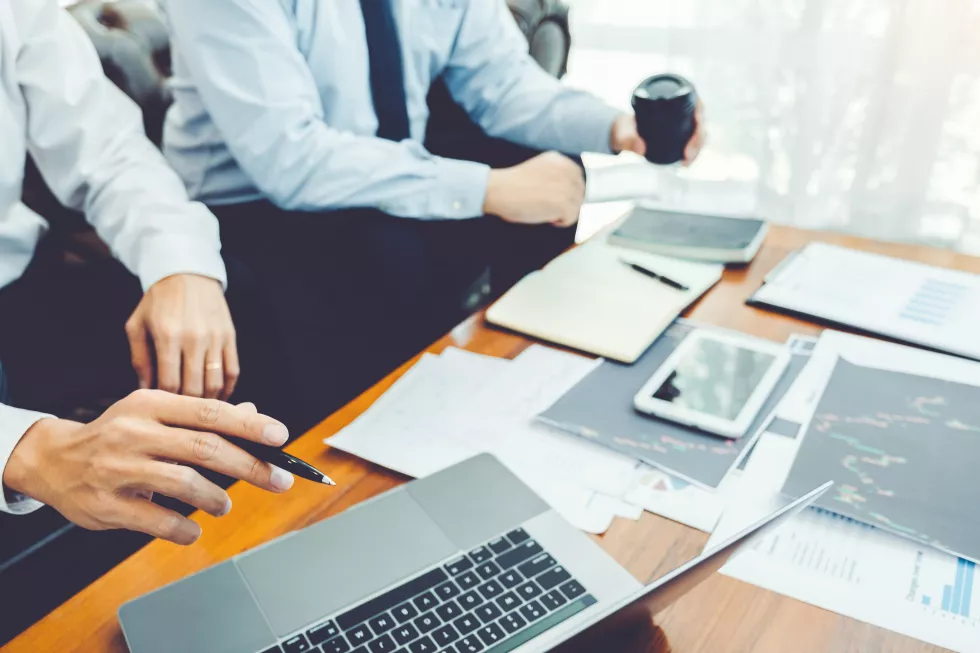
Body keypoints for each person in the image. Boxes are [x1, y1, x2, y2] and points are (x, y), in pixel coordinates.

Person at [161, 0, 706, 430]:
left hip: (375, 166)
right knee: (391, 253)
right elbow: (292, 159)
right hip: (248, 204)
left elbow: (503, 84)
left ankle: (533, 392)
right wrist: (488, 189)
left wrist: (618, 128)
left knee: (553, 171)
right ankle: (383, 447)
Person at [0, 1, 300, 538]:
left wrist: (179, 268)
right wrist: (22, 450)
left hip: (14, 287)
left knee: (241, 307)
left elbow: (109, 152)